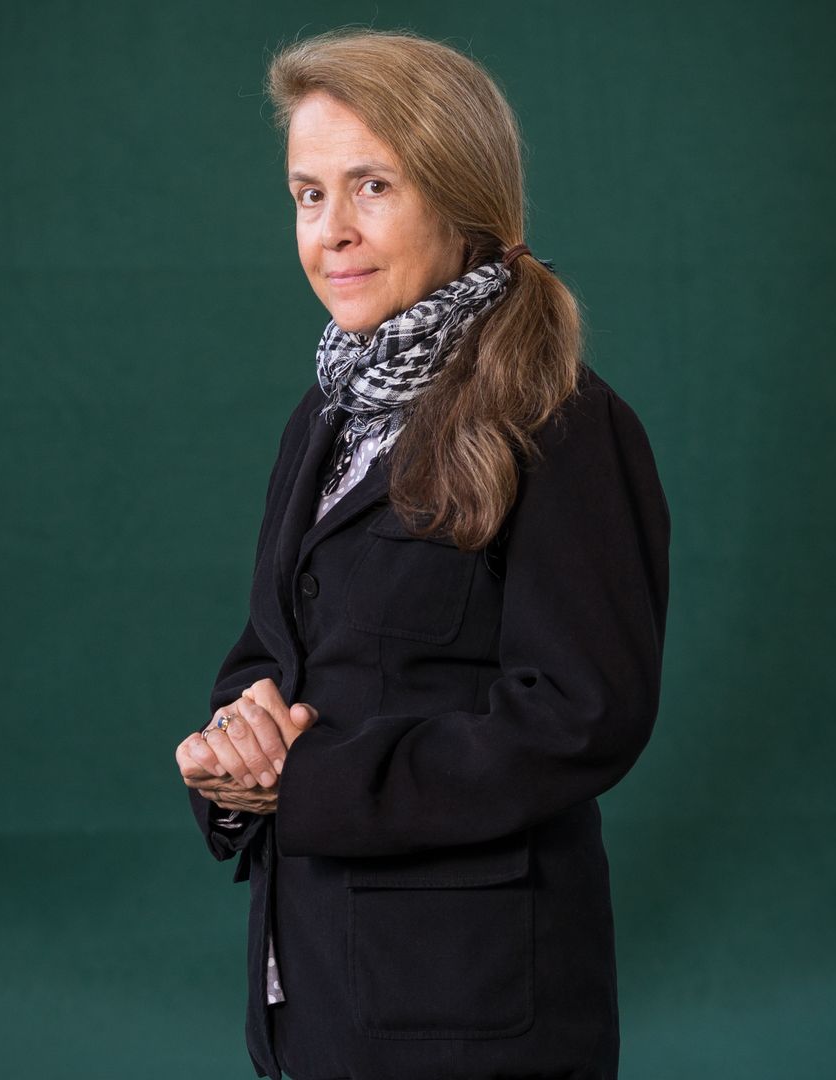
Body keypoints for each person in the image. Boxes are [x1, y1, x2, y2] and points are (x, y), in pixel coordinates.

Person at [173, 28, 671, 1080]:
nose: (334, 232)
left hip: (472, 1016)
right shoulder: (325, 418)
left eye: (374, 186)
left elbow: (581, 718)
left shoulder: (564, 424)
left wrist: (313, 783)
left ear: (461, 198)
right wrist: (229, 755)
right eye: (309, 195)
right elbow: (277, 655)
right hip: (316, 996)